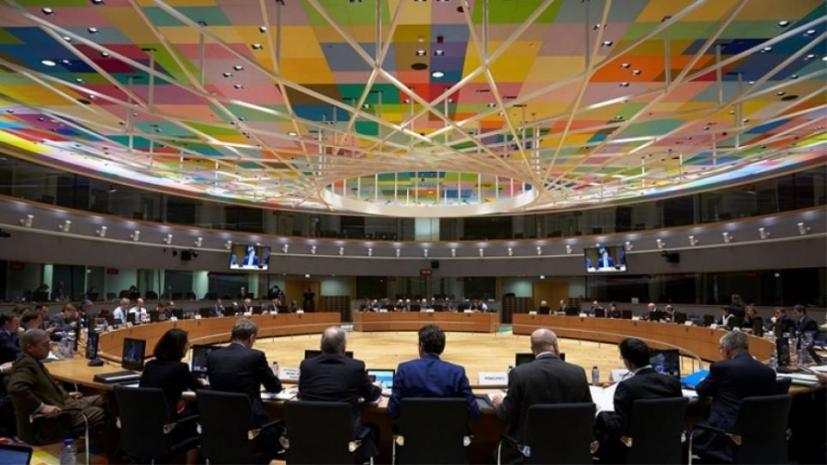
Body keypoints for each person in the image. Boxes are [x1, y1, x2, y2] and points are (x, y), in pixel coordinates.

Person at [492, 328, 591, 463]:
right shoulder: (578, 372)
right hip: (568, 450)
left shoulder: (519, 373)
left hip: (529, 452)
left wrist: (498, 403)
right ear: (556, 346)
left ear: (533, 349)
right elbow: (587, 412)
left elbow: (507, 414)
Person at [8, 329, 107, 445]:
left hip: (64, 402)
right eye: (45, 345)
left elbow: (42, 388)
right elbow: (16, 389)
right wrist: (42, 407)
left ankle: (106, 445)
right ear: (30, 347)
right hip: (53, 421)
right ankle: (110, 449)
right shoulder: (26, 364)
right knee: (102, 412)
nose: (49, 348)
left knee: (107, 399)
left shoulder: (32, 360)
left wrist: (64, 393)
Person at [298, 327, 381, 462]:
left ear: (321, 347)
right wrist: (379, 388)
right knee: (375, 427)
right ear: (343, 348)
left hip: (311, 437)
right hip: (345, 439)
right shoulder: (355, 367)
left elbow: (302, 392)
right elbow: (371, 395)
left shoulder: (307, 365)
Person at [692, 331, 776, 463]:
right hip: (755, 433)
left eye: (721, 349)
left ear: (727, 350)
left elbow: (701, 390)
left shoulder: (721, 367)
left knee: (687, 432)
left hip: (722, 433)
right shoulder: (768, 372)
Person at [593, 338, 682, 463]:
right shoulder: (673, 383)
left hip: (635, 451)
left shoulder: (627, 387)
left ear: (628, 362)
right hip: (667, 450)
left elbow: (618, 427)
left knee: (603, 428)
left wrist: (600, 414)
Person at [207, 319, 283, 461]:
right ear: (251, 337)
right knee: (279, 432)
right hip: (251, 424)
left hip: (221, 424)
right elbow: (274, 387)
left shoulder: (212, 356)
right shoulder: (255, 356)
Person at [388, 324, 479, 420]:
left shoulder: (404, 370)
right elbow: (473, 411)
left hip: (412, 429)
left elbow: (392, 411)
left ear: (421, 345)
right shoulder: (457, 373)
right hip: (448, 429)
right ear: (442, 347)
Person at [139, 328, 201, 464]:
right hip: (167, 427)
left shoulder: (149, 365)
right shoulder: (180, 368)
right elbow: (200, 390)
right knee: (194, 424)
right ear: (180, 347)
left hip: (144, 426)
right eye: (186, 343)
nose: (188, 346)